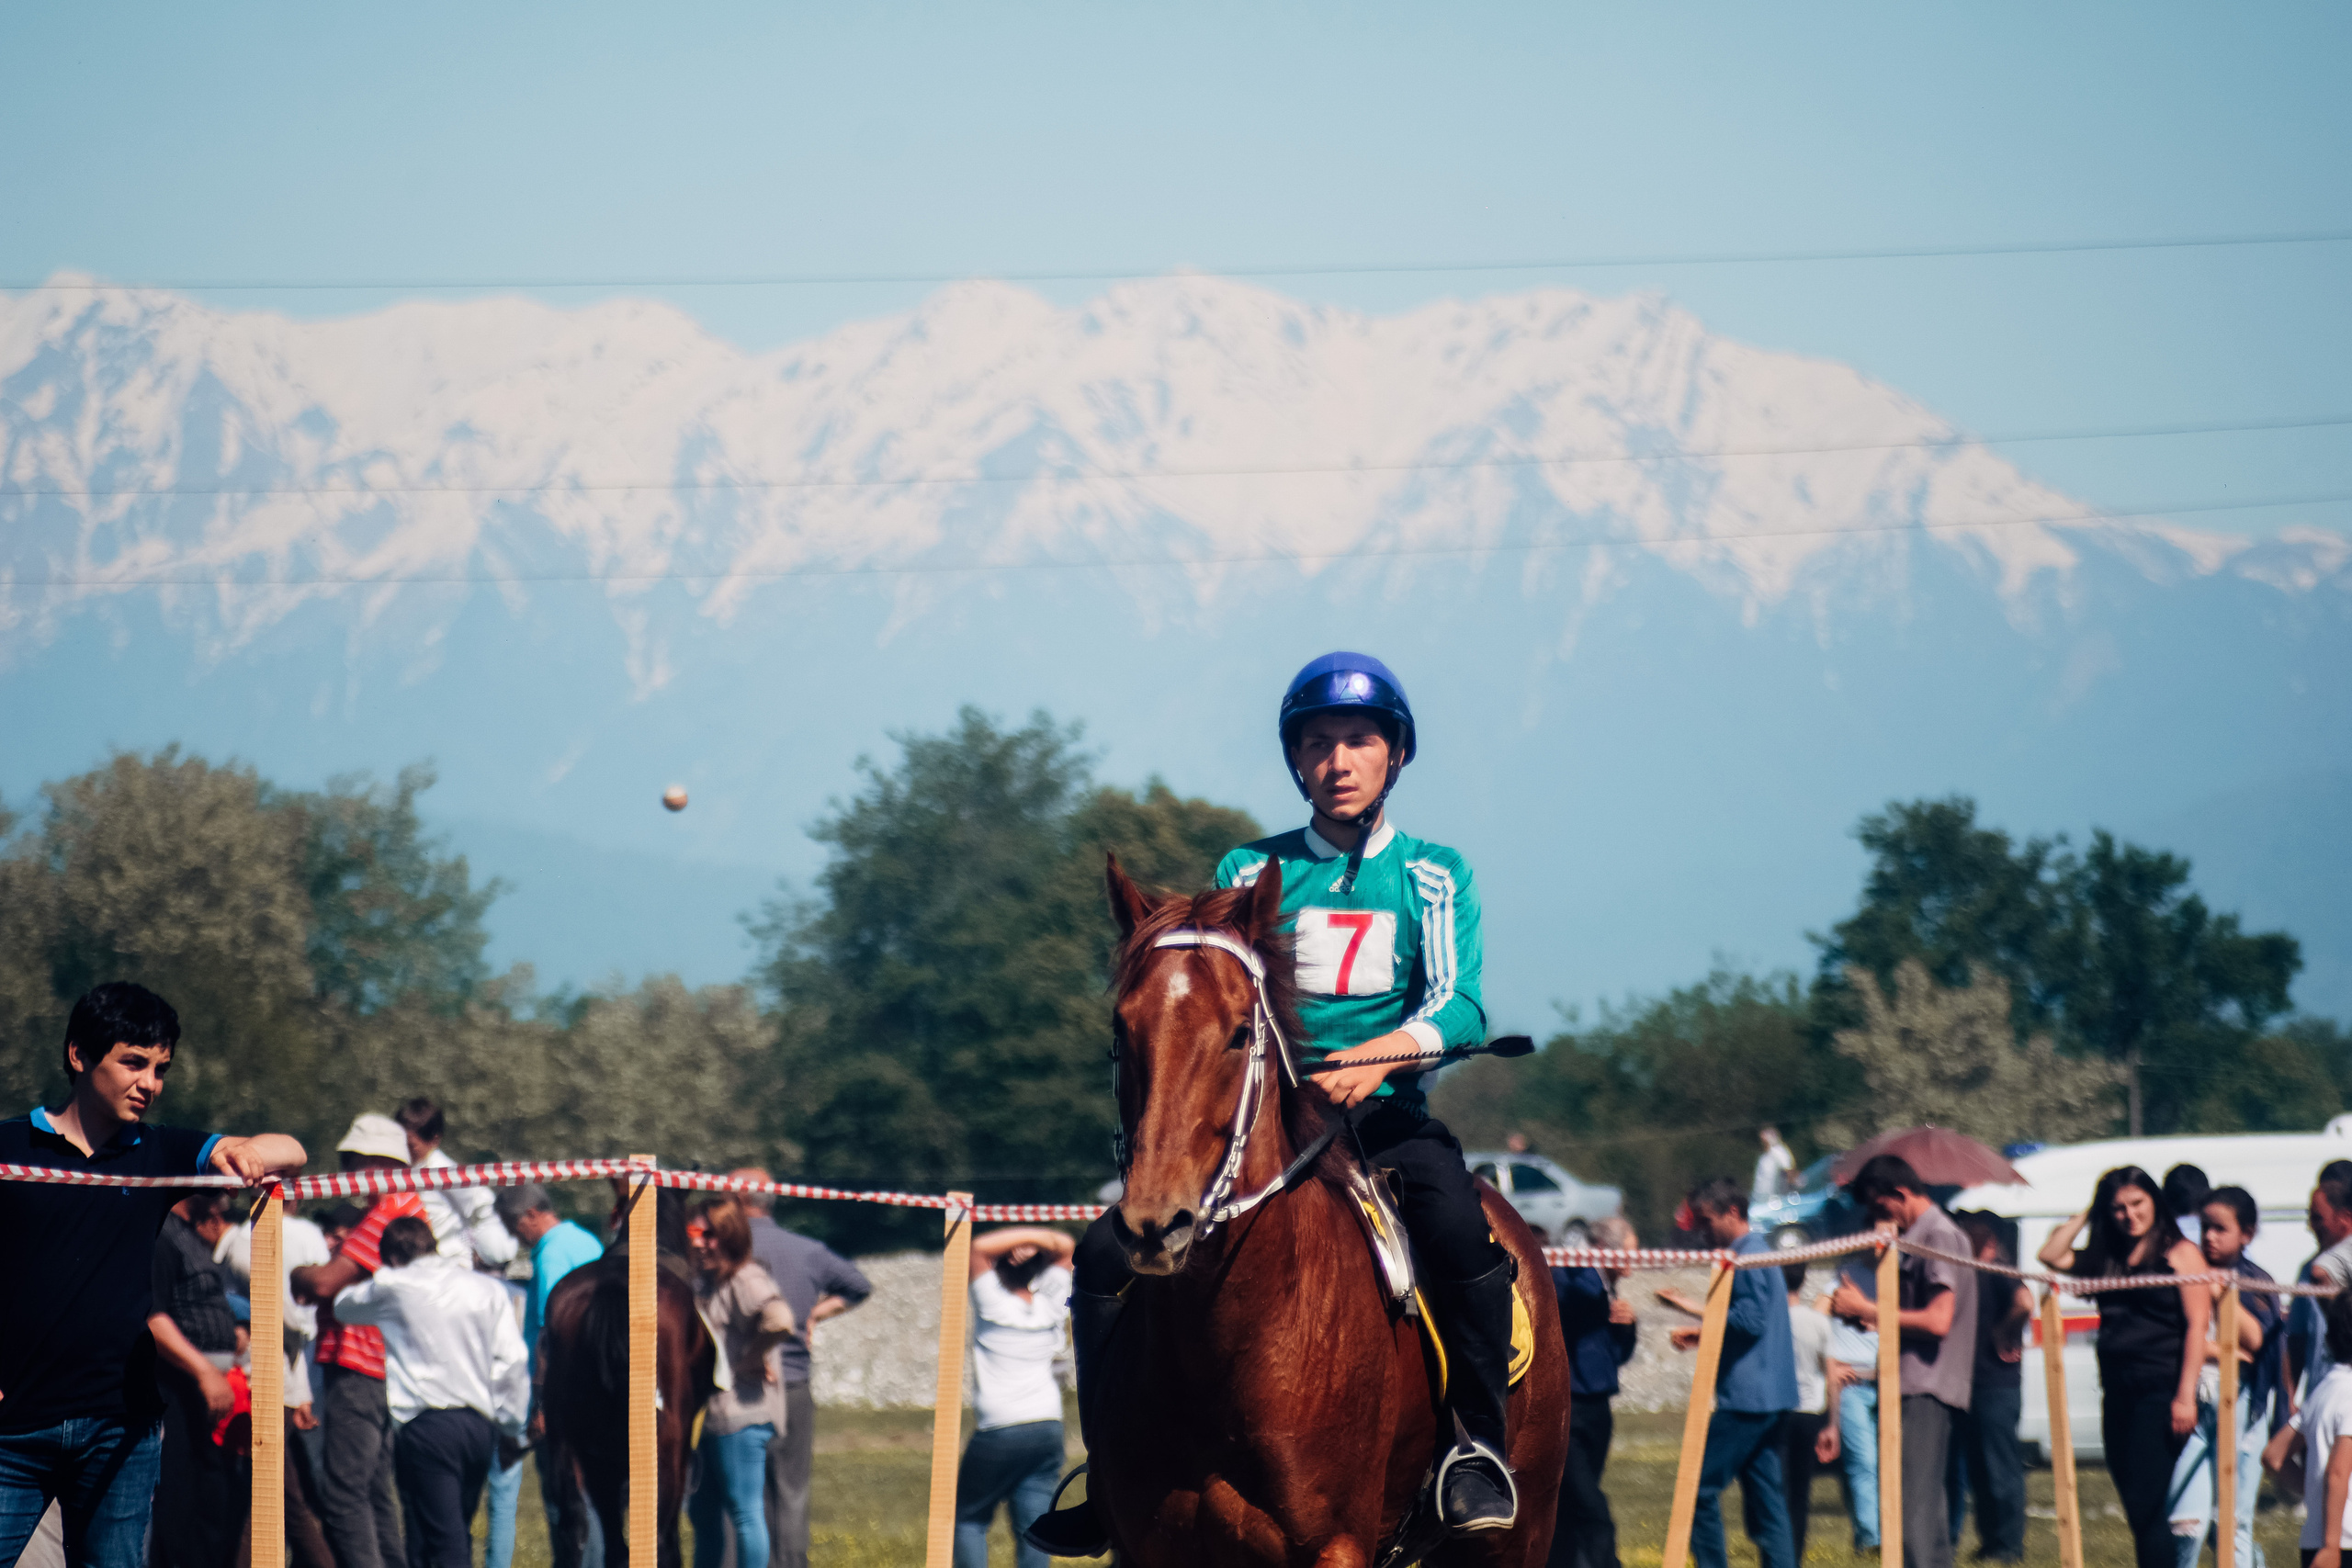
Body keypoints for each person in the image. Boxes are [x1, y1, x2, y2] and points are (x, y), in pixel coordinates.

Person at [1034, 652, 1515, 1553]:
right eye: (1318, 743)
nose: (1338, 760)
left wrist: (1376, 1058)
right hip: (1268, 1124)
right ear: (1296, 760)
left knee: (1459, 1229)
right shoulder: (1248, 868)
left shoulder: (1434, 873)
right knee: (1102, 1256)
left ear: (1394, 755)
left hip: (1384, 1121)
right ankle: (1110, 1468)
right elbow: (1216, 994)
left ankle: (1476, 1450)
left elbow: (1460, 1004)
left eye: (1358, 741)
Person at [0, 981, 305, 1568]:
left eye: (161, 1069)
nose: (150, 1084)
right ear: (78, 1055)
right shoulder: (9, 1147)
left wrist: (249, 1155)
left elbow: (290, 1149)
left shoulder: (159, 1151)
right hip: (14, 1428)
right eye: (134, 1063)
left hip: (122, 1428)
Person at [329, 1216, 529, 1568]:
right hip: (479, 1425)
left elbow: (343, 1306)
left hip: (428, 1426)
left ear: (393, 1258)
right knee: (447, 1531)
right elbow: (511, 1361)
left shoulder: (394, 1286)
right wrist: (511, 1425)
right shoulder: (486, 1289)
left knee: (442, 1541)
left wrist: (376, 1273)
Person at [2037, 1165, 2210, 1568]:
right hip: (2117, 1390)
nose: (2130, 1215)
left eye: (2137, 1203)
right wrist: (2090, 1209)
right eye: (2118, 1208)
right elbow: (2050, 1255)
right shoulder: (2108, 1257)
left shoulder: (2181, 1253)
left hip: (2162, 1389)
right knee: (2135, 1503)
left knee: (2148, 1504)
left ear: (2155, 1201)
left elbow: (2198, 1325)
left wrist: (2185, 1396)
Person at [291, 1114, 432, 1568]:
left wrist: (299, 1273)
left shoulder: (387, 1214)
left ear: (379, 1162)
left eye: (353, 1161)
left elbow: (325, 1283)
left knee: (343, 1494)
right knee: (373, 1491)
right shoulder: (407, 1207)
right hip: (383, 1365)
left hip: (359, 1364)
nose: (348, 1172)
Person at [1833, 1156, 1978, 1568]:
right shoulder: (1920, 1237)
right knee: (1924, 1509)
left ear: (1899, 1194)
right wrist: (1866, 1317)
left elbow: (1938, 1320)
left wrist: (1869, 1309)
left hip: (1927, 1386)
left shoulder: (1938, 1235)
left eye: (1879, 1207)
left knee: (1911, 1511)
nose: (1876, 1218)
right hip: (1913, 1383)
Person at [726, 1170, 874, 1568]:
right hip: (793, 1383)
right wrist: (815, 1314)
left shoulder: (724, 1251)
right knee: (790, 1491)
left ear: (739, 1200)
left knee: (738, 1497)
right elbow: (858, 1285)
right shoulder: (808, 1250)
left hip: (740, 1387)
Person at [1663, 1179, 1797, 1568]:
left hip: (1747, 1399)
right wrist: (1703, 1334)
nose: (1703, 1232)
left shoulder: (1746, 1257)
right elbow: (1753, 1322)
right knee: (1766, 1499)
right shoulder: (1756, 1252)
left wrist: (1689, 1307)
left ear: (1733, 1212)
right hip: (1772, 1394)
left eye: (1707, 1221)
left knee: (1697, 1488)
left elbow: (1750, 1321)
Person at [217, 1201, 339, 1568]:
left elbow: (284, 1318)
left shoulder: (240, 1248)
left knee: (272, 1497)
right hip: (275, 1380)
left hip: (265, 1383)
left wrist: (298, 1392)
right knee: (279, 1495)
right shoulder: (284, 1236)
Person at [2166, 1187, 2278, 1568]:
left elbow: (2257, 1340)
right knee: (2184, 1523)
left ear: (2246, 1233)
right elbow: (2182, 1337)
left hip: (2242, 1406)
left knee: (2232, 1522)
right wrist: (2217, 1349)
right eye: (2205, 1228)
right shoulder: (2186, 1271)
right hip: (2195, 1406)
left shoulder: (2255, 1280)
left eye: (2220, 1229)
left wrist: (2216, 1290)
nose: (2210, 1237)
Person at [496, 1184, 605, 1568]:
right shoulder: (586, 1241)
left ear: (531, 1214)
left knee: (566, 1497)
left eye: (512, 1224)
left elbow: (550, 1332)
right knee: (593, 1493)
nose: (513, 1235)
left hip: (562, 1392)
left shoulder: (552, 1254)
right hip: (593, 1387)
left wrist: (542, 1405)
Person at [956, 1227, 1076, 1568]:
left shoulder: (992, 1302)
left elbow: (979, 1246)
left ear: (998, 1270)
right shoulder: (1051, 1303)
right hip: (1047, 1424)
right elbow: (1066, 1245)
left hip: (1000, 1427)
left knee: (970, 1519)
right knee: (1033, 1528)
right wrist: (1035, 1244)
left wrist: (1019, 1244)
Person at [687, 1199, 797, 1568]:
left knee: (745, 1512)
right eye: (693, 1233)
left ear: (730, 1235)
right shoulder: (710, 1281)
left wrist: (753, 1357)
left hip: (742, 1415)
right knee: (703, 1515)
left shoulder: (745, 1277)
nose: (698, 1242)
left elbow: (780, 1319)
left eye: (708, 1235)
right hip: (711, 1418)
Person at [150, 1188, 250, 1568]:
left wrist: (231, 1329)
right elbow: (152, 1317)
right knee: (181, 1498)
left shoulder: (188, 1233)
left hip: (209, 1386)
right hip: (178, 1384)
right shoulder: (162, 1234)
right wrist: (205, 1372)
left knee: (214, 1496)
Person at [1548, 1216, 1639, 1568]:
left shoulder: (1607, 1286)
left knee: (1571, 1509)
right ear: (1604, 1250)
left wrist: (1628, 1327)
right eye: (1627, 1255)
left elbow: (1615, 1355)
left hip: (1599, 1409)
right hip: (1568, 1412)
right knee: (1592, 1510)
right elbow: (1561, 1303)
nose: (1632, 1264)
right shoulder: (1573, 1277)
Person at [1947, 1219, 2030, 1565]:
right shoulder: (1968, 1271)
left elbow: (2025, 1302)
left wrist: (2004, 1330)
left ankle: (2008, 1544)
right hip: (1972, 1383)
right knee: (1980, 1468)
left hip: (1996, 1384)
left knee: (2000, 1466)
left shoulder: (1999, 1270)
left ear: (1989, 1238)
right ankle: (1991, 1541)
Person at [395, 1099, 517, 1269]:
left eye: (411, 1145)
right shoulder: (402, 1169)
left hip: (449, 1263)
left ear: (434, 1140)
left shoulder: (445, 1172)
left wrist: (491, 1252)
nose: (404, 1150)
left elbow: (485, 1204)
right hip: (415, 1262)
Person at [2284, 1292, 2352, 1568]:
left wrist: (2315, 1493)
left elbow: (2274, 1456)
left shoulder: (2323, 1390)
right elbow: (2337, 1472)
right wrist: (2331, 1546)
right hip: (2341, 1545)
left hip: (2314, 1540)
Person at [1780, 1261, 1839, 1565]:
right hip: (1810, 1413)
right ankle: (1795, 1556)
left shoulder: (1773, 1320)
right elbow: (1831, 1376)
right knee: (1800, 1493)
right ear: (1803, 1281)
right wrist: (1833, 1424)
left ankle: (1776, 1554)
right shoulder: (1818, 1322)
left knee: (1776, 1489)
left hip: (1778, 1412)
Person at [1823, 1257, 1883, 1553]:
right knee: (1863, 1462)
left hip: (1889, 1384)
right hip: (1852, 1385)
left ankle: (1880, 1533)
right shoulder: (1844, 1277)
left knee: (1884, 1464)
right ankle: (1871, 1540)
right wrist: (1828, 1367)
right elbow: (1817, 1320)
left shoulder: (1904, 1277)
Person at [2290, 1165, 2352, 1404]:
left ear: (2345, 1217)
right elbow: (2296, 1340)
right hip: (2320, 1398)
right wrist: (2289, 1402)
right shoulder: (2307, 1270)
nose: (2310, 1226)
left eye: (2317, 1218)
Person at [1754, 1128, 1796, 1206]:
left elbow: (1789, 1170)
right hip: (1760, 1199)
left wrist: (1791, 1193)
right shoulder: (1764, 1156)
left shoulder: (1779, 1151)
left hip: (1774, 1201)